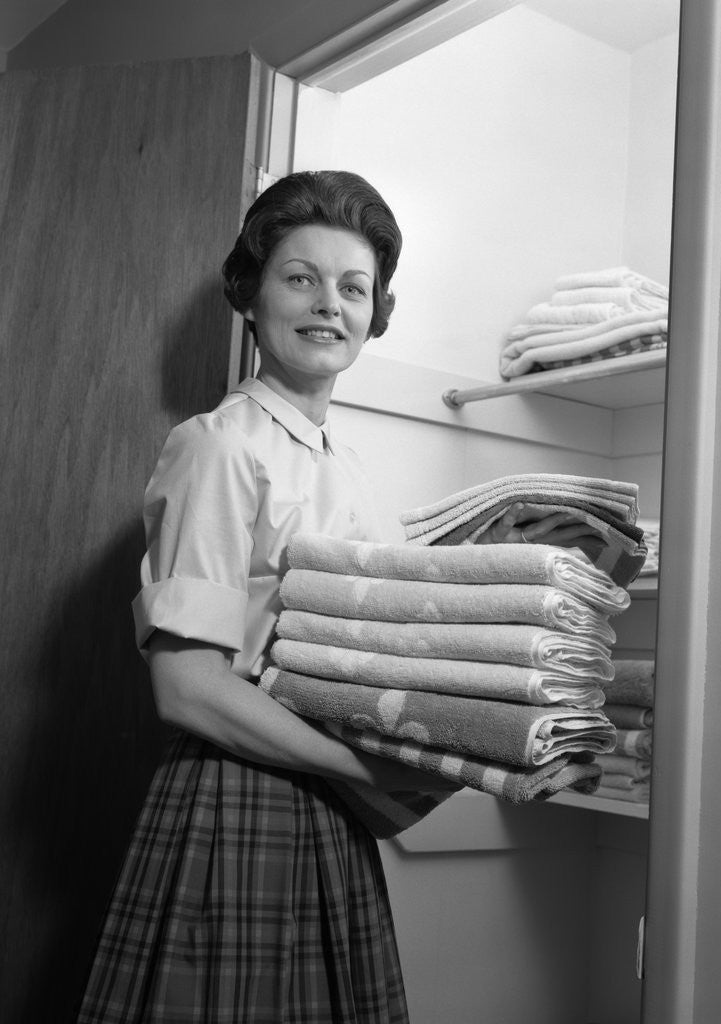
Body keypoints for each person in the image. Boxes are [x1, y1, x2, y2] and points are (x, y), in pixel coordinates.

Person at [75, 170, 599, 1024]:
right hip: (239, 791)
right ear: (251, 295)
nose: (329, 304)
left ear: (373, 313)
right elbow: (187, 687)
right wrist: (371, 771)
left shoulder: (344, 466)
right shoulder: (217, 446)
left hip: (331, 803)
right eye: (301, 278)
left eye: (354, 287)